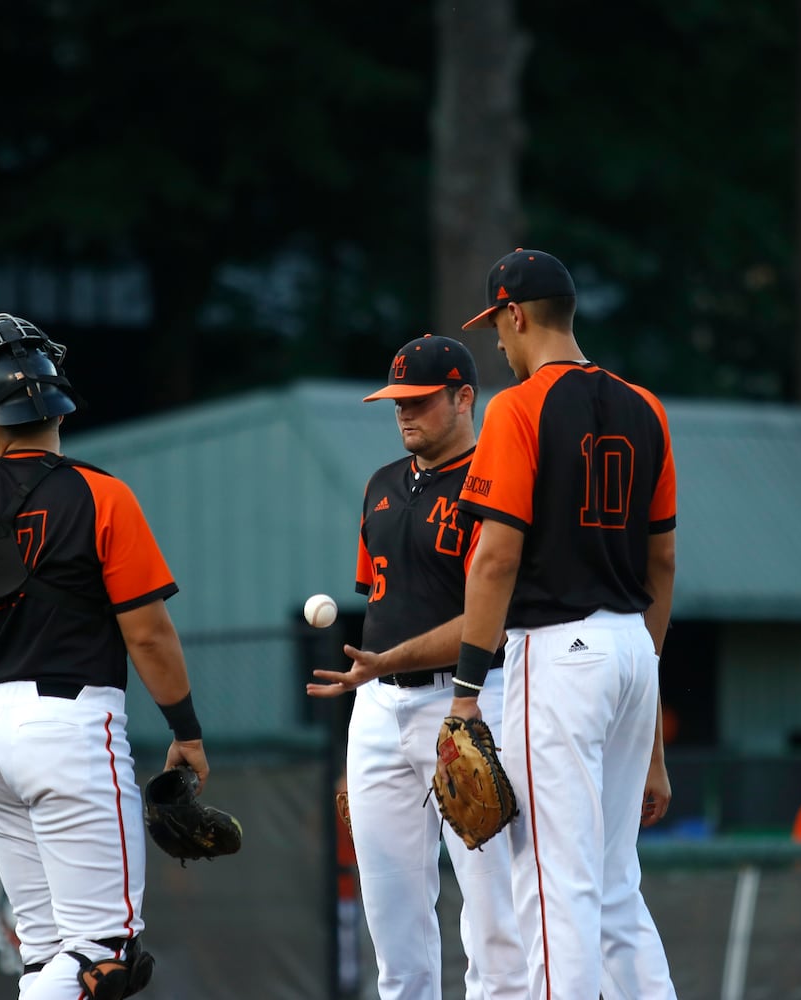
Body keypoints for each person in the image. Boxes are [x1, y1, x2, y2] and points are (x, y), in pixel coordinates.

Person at [0, 313, 209, 999]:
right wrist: (186, 730)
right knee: (105, 955)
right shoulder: (102, 495)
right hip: (68, 729)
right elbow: (149, 634)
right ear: (58, 406)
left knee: (47, 955)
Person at [445, 249, 677, 998]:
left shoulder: (518, 406)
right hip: (633, 648)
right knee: (614, 890)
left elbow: (494, 558)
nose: (499, 347)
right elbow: (663, 563)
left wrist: (464, 691)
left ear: (515, 314)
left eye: (498, 330)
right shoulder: (647, 407)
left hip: (559, 651)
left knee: (552, 885)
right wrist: (646, 677)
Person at [305, 333, 528, 999]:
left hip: (466, 701)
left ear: (465, 397)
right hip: (377, 709)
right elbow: (383, 599)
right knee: (392, 919)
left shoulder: (494, 482)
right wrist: (373, 698)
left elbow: (490, 618)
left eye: (421, 401)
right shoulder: (380, 485)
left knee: (494, 920)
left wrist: (386, 663)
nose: (404, 413)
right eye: (397, 400)